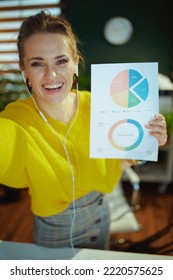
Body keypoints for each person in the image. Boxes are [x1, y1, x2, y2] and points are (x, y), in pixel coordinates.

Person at [0, 10, 167, 251]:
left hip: (100, 215)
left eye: (61, 60)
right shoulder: (15, 120)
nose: (52, 75)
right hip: (54, 231)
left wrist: (147, 141)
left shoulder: (99, 104)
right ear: (24, 69)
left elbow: (120, 161)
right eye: (37, 63)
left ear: (76, 61)